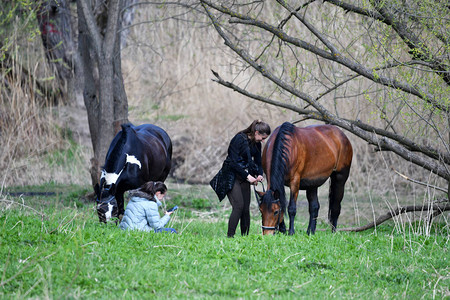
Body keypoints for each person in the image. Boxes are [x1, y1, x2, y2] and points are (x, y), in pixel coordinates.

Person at [210, 120, 271, 237]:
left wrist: (259, 174)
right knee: (238, 206)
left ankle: (245, 238)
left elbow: (258, 162)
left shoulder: (256, 144)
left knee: (245, 210)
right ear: (256, 132)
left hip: (244, 176)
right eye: (262, 138)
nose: (263, 141)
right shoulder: (238, 139)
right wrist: (248, 176)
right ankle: (230, 237)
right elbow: (232, 162)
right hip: (231, 175)